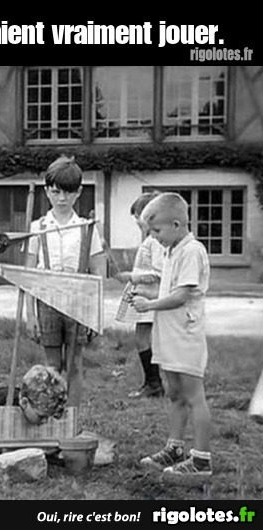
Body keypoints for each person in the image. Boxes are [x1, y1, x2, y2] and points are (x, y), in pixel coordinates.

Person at [132, 192, 212, 478]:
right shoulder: (171, 250)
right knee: (175, 394)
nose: (153, 237)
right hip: (169, 335)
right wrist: (146, 294)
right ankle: (175, 448)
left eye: (156, 231)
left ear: (176, 224)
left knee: (194, 396)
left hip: (186, 335)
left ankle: (201, 460)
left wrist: (149, 305)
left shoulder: (192, 251)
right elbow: (168, 290)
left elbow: (181, 296)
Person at [26, 156, 106, 374]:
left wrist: (95, 315)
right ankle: (53, 398)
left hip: (78, 302)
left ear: (78, 192)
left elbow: (98, 274)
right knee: (52, 366)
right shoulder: (37, 228)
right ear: (46, 191)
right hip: (46, 302)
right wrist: (30, 316)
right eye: (56, 192)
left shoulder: (87, 228)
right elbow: (29, 276)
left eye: (68, 192)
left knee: (74, 365)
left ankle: (72, 399)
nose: (62, 198)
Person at [114, 192, 165, 399]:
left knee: (143, 339)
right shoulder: (149, 240)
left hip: (150, 296)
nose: (136, 221)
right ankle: (152, 382)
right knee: (141, 338)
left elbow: (158, 273)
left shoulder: (156, 241)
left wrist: (132, 277)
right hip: (143, 294)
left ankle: (154, 383)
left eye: (138, 216)